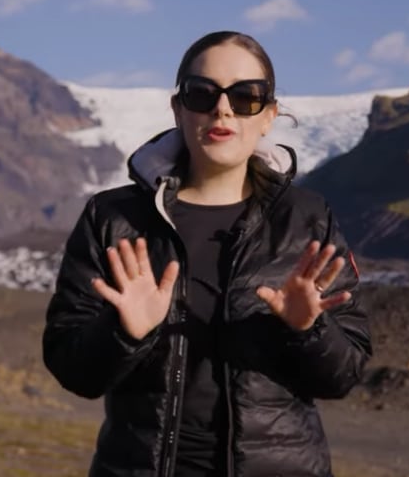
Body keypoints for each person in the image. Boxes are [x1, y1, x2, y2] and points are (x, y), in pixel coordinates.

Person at [42, 30, 372, 476]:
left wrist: (307, 329)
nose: (222, 109)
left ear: (268, 116)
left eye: (246, 97)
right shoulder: (113, 217)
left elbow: (344, 374)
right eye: (202, 93)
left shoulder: (306, 220)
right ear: (179, 109)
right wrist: (123, 332)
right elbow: (73, 370)